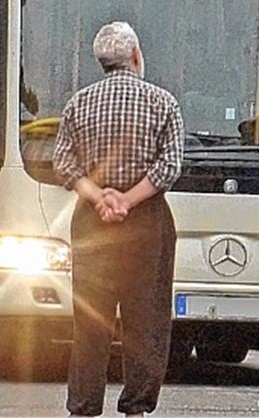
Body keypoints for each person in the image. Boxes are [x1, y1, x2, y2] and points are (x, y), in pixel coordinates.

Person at [54, 22, 183, 418]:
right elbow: (171, 165)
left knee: (91, 319)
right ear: (136, 56)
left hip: (93, 222)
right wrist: (128, 199)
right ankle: (136, 406)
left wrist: (100, 197)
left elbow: (63, 163)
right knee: (146, 318)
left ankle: (84, 405)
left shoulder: (79, 103)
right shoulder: (163, 103)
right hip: (146, 222)